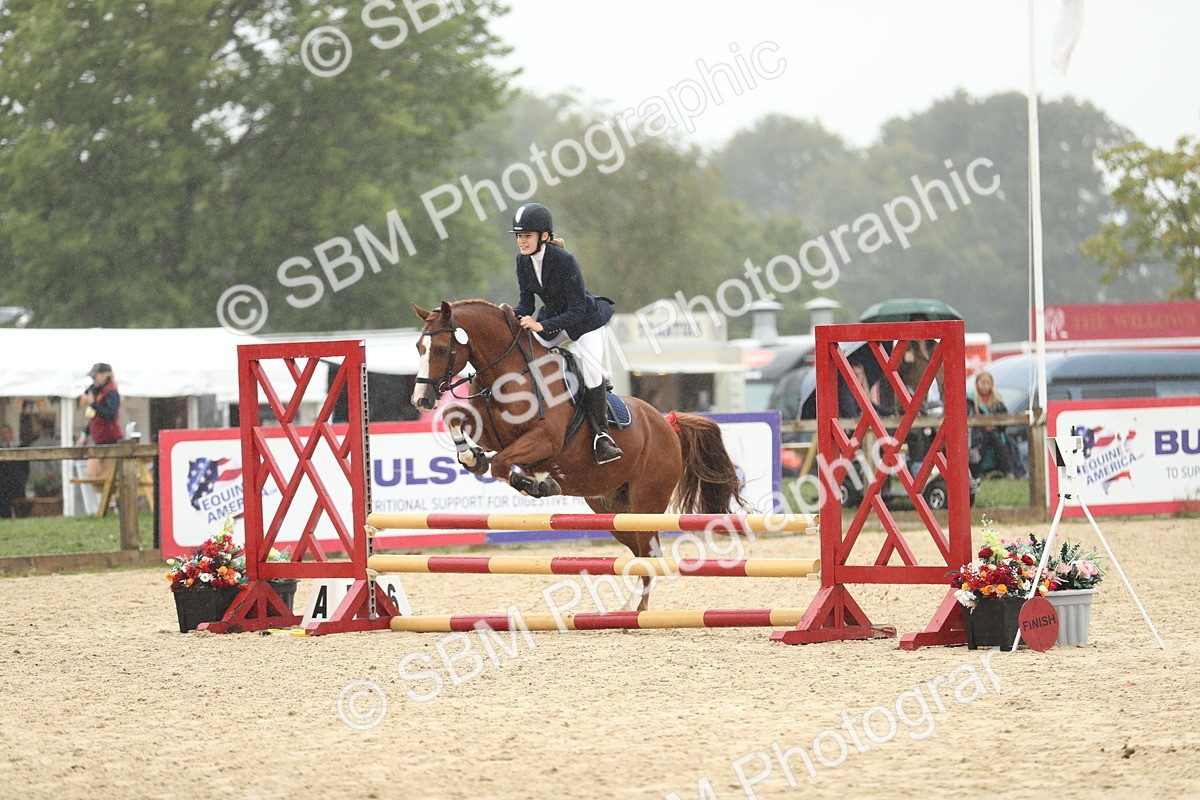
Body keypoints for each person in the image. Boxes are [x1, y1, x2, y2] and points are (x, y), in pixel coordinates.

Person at [509, 202, 621, 464]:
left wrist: (542, 326)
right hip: (554, 321)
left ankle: (601, 437)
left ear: (544, 236)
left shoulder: (564, 261)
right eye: (519, 236)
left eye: (526, 235)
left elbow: (577, 309)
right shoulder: (522, 261)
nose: (521, 241)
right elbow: (527, 303)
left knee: (592, 371)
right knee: (528, 356)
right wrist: (509, 316)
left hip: (585, 322)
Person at [76, 362, 122, 479]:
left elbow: (110, 415)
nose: (93, 380)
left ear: (105, 375)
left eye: (95, 377)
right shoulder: (97, 392)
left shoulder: (111, 392)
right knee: (93, 476)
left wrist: (93, 403)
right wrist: (84, 434)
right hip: (99, 441)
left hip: (111, 442)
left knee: (108, 478)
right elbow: (93, 418)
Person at [968, 370, 1016, 479]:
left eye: (988, 382)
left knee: (1000, 442)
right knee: (981, 441)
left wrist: (994, 425)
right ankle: (978, 473)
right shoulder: (971, 401)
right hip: (977, 433)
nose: (985, 386)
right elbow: (969, 418)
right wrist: (982, 425)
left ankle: (1008, 471)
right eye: (982, 382)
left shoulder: (997, 401)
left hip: (995, 431)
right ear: (977, 383)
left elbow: (1004, 418)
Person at [0, 424, 30, 518]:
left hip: (18, 483)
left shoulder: (20, 447)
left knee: (21, 508)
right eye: (2, 434)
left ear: (11, 434)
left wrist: (22, 478)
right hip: (3, 485)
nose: (5, 436)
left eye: (6, 433)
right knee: (5, 510)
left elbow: (26, 466)